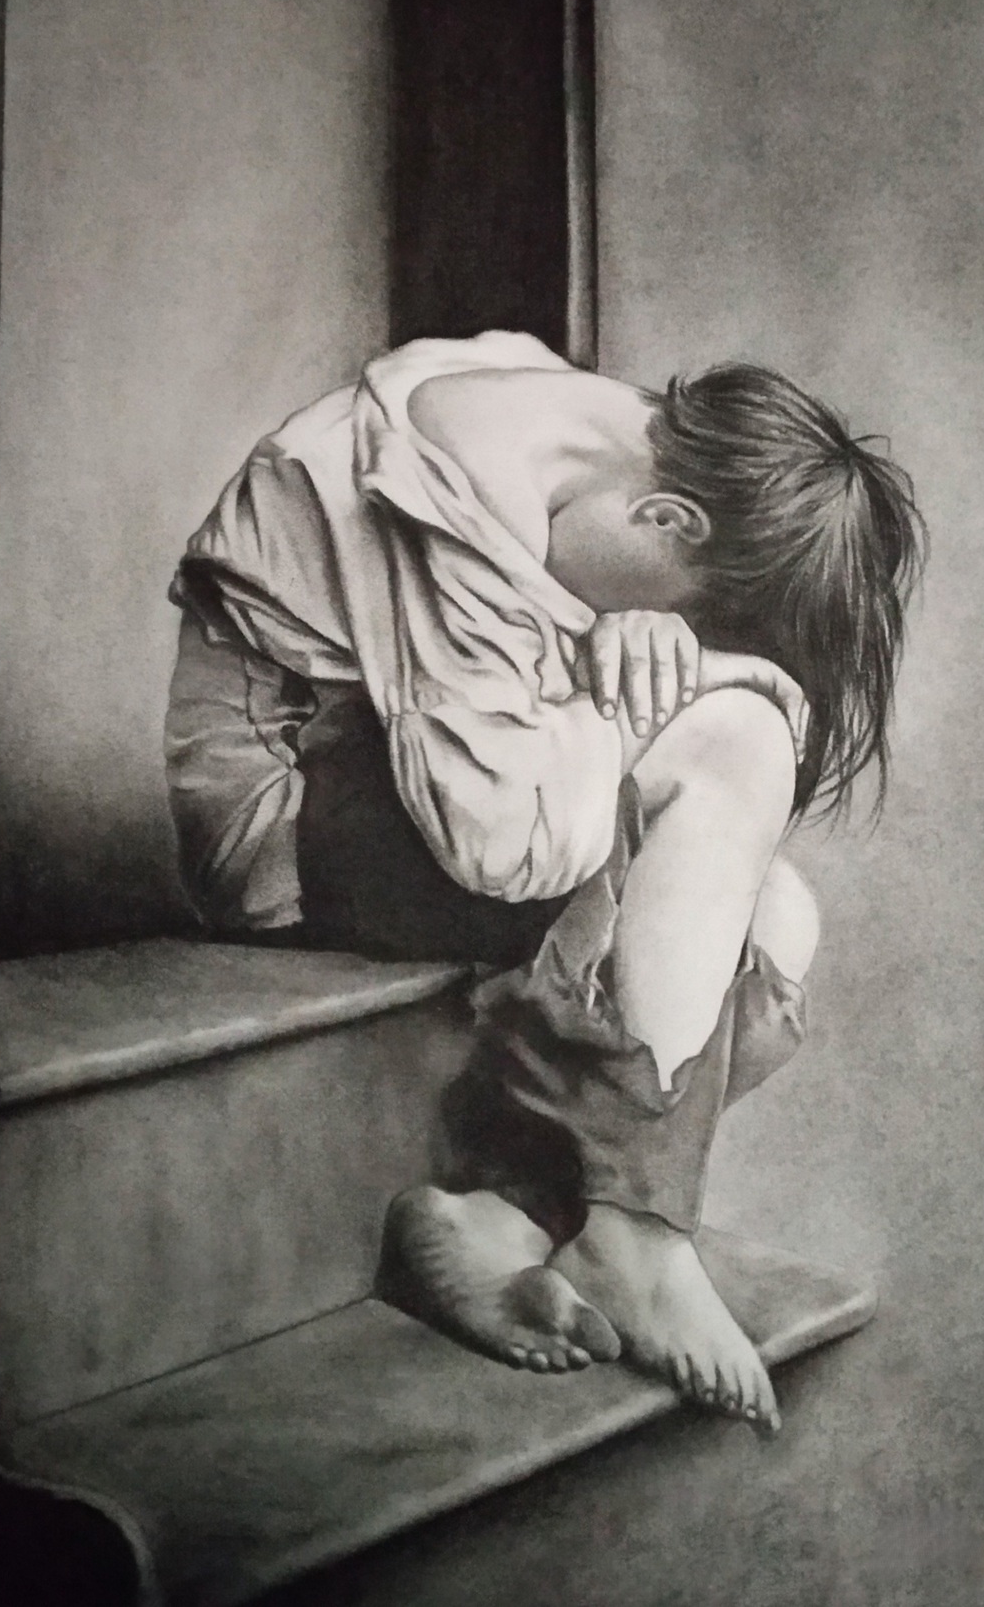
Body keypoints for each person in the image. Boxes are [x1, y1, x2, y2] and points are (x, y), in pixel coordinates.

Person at [165, 330, 925, 1433]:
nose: (680, 633)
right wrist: (693, 674)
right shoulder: (455, 492)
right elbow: (504, 843)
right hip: (286, 816)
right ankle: (636, 1231)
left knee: (777, 916)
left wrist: (618, 642)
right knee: (740, 738)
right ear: (669, 520)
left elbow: (514, 704)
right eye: (696, 609)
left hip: (411, 772)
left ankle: (499, 1220)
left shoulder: (597, 436)